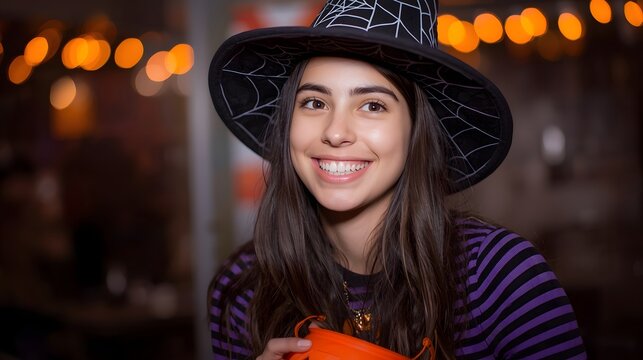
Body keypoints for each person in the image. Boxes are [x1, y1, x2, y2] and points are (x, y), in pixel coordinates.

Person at [207, 0, 586, 359]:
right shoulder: (244, 290)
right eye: (315, 103)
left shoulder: (500, 277)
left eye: (372, 105)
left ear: (415, 131)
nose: (336, 132)